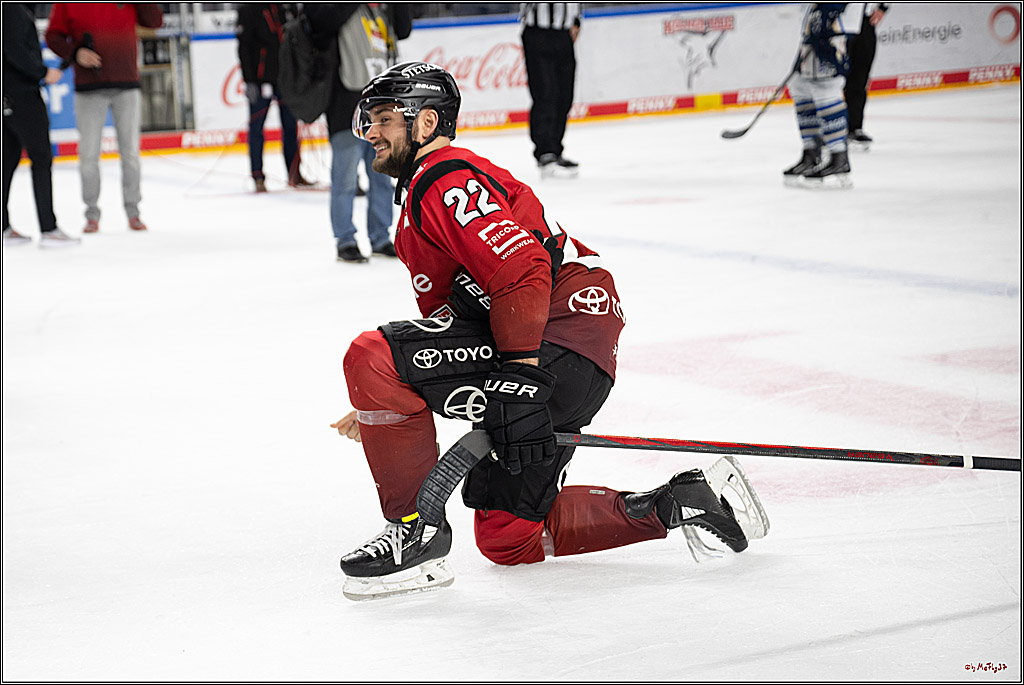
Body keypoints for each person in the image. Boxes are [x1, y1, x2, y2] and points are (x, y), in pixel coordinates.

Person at [329, 62, 769, 600]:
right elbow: (456, 318)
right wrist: (386, 401)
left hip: (551, 340)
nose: (369, 132)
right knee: (506, 538)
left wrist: (519, 376)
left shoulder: (442, 179)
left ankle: (413, 533)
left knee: (369, 355)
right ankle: (678, 503)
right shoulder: (430, 189)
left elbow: (523, 269)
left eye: (382, 119)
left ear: (423, 125)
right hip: (576, 351)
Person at [304, 4, 412, 264]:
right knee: (345, 180)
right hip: (345, 106)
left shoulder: (383, 10)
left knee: (383, 178)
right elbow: (320, 22)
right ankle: (345, 240)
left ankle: (380, 236)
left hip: (383, 105)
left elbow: (404, 29)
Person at [45, 3, 163, 233]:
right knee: (88, 155)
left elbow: (154, 21)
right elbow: (53, 36)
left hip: (127, 84)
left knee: (130, 153)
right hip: (89, 88)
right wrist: (75, 53)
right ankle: (91, 213)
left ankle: (133, 211)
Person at [3, 2, 80, 248]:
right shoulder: (11, 9)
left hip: (10, 93)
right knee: (41, 156)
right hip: (21, 93)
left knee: (7, 159)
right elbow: (13, 48)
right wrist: (41, 72)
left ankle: (4, 227)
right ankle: (48, 228)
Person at [782, 3, 862, 189]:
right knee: (800, 85)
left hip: (834, 29)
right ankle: (811, 152)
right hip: (818, 23)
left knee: (826, 86)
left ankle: (839, 157)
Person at [236, 3, 312, 193]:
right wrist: (249, 80)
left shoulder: (288, 7)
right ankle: (257, 175)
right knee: (256, 127)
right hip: (261, 80)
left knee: (290, 126)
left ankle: (294, 173)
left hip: (287, 79)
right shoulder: (248, 10)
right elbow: (243, 46)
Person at [520, 2, 582, 179]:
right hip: (538, 32)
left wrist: (576, 21)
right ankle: (545, 152)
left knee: (564, 96)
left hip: (564, 34)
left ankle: (555, 149)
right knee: (545, 93)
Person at [844, 3, 888, 148]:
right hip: (840, 21)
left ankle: (854, 128)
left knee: (859, 78)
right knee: (833, 80)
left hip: (865, 23)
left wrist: (882, 7)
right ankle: (829, 130)